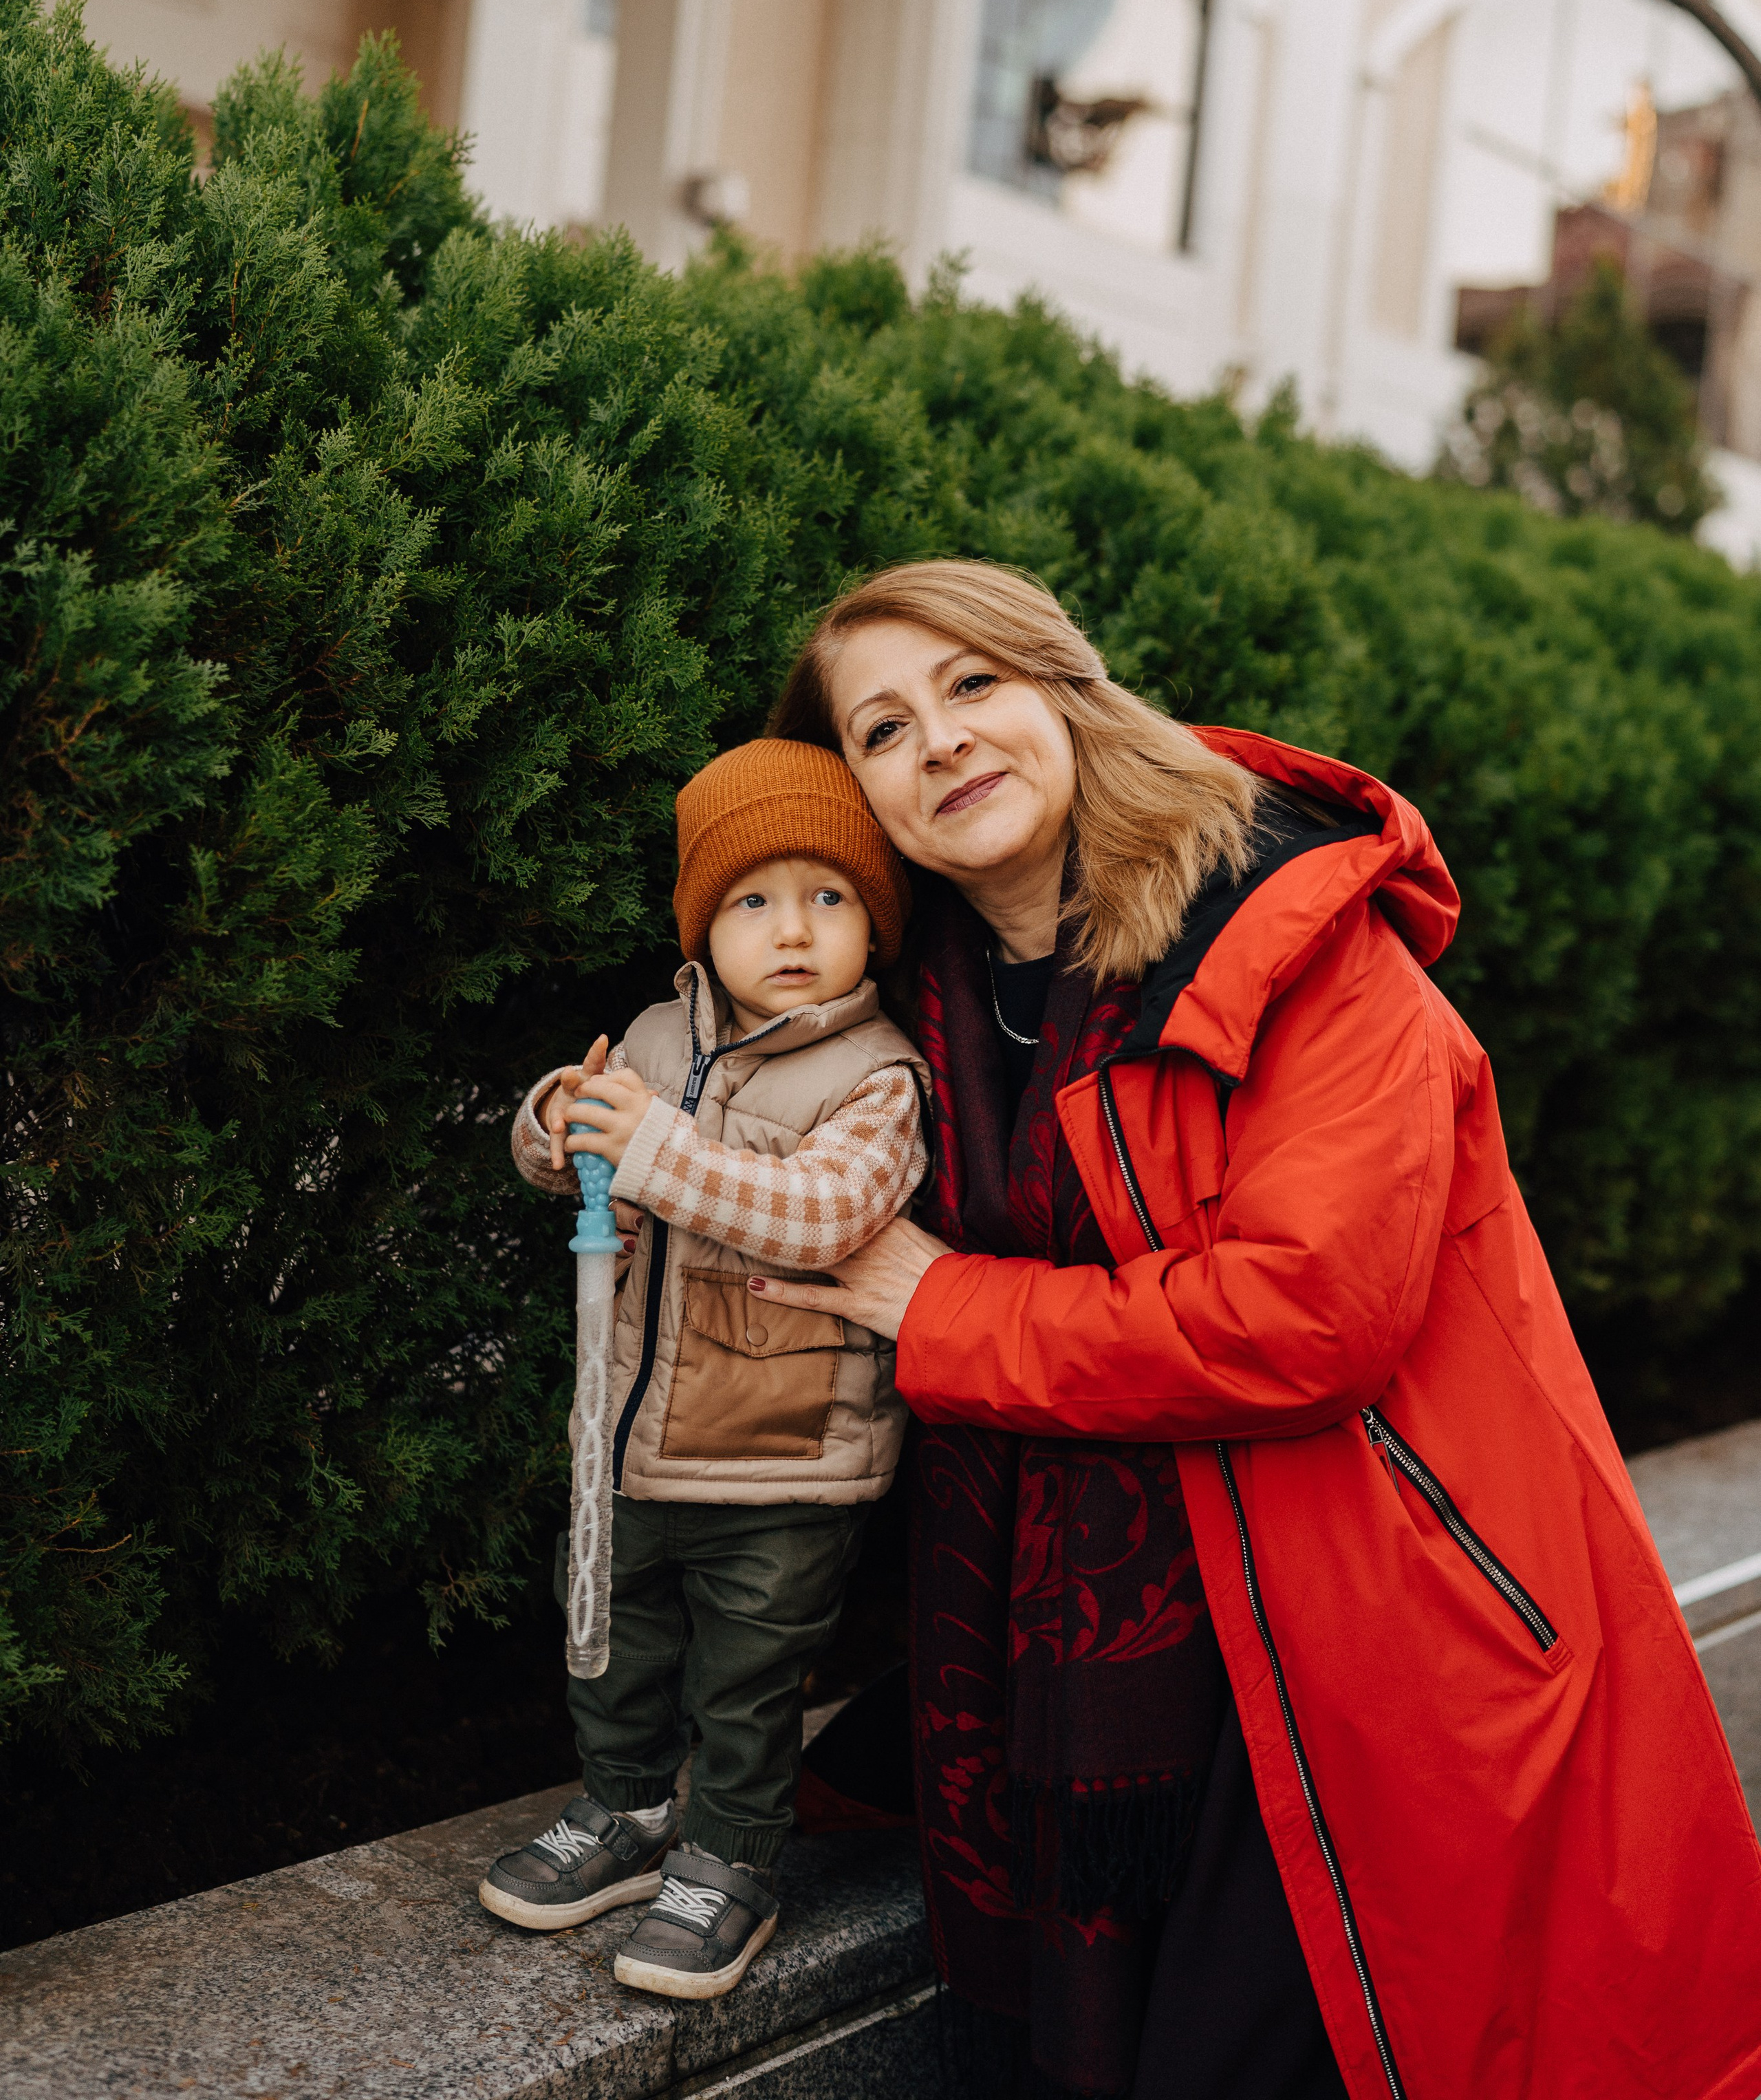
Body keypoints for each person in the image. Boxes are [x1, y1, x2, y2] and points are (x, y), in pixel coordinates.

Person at [750, 557, 1761, 2100]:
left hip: (1372, 1640)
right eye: (881, 730)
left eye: (972, 687)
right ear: (859, 800)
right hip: (1104, 1679)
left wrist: (936, 1303)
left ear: (1066, 697)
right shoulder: (916, 1020)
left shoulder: (1294, 938)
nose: (940, 742)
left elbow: (1307, 1316)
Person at [478, 738, 927, 2000]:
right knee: (611, 1646)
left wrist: (658, 1148)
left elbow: (820, 1216)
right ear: (703, 922)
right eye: (754, 900)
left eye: (829, 896)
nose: (793, 928)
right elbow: (582, 1163)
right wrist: (559, 1123)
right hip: (633, 1433)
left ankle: (728, 1863)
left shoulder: (879, 1078)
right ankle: (622, 1816)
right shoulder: (656, 1036)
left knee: (747, 1680)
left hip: (784, 1458)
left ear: (874, 921)